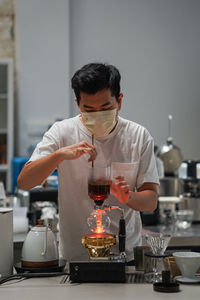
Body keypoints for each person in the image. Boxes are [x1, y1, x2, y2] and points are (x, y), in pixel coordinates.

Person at [17, 63, 159, 262]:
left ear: (120, 101)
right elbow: (24, 182)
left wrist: (128, 196)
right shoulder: (62, 132)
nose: (98, 115)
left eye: (106, 108)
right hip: (75, 257)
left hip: (124, 258)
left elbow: (151, 201)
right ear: (78, 104)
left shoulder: (138, 136)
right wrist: (59, 155)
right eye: (89, 109)